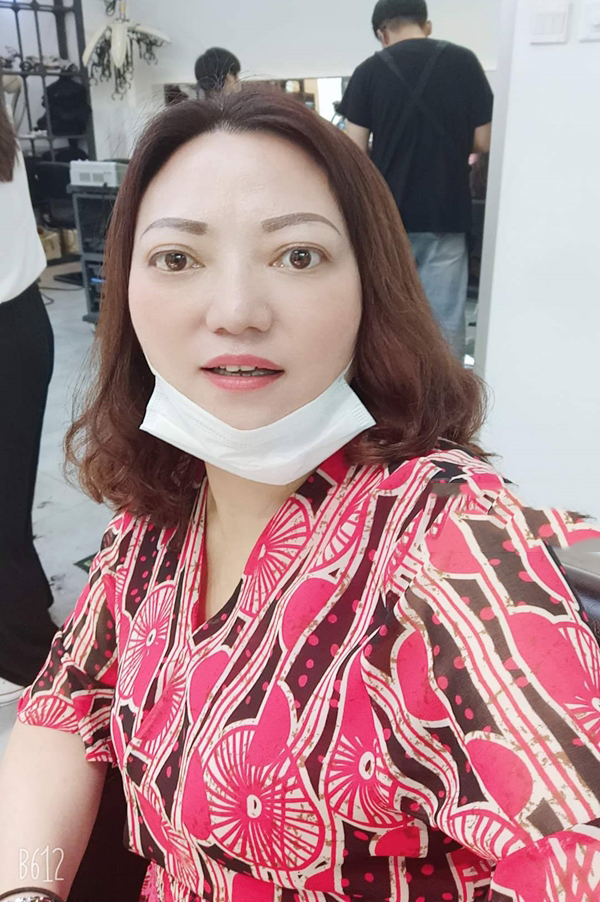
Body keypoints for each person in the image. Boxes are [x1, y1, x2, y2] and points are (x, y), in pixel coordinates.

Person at [1, 88, 599, 902]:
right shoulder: (157, 521)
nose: (236, 312)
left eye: (298, 256)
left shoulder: (453, 547)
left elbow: (574, 847)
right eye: (177, 259)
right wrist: (29, 890)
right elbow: (65, 705)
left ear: (370, 286)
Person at [339, 0, 493, 360]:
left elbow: (352, 149)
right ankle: (446, 391)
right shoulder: (463, 62)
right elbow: (484, 140)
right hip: (446, 210)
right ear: (427, 25)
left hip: (388, 215)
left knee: (387, 314)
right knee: (445, 317)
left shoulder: (369, 71)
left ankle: (393, 385)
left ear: (382, 33)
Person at [0, 88, 57, 705]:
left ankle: (22, 658)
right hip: (24, 324)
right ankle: (30, 600)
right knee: (10, 496)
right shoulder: (3, 131)